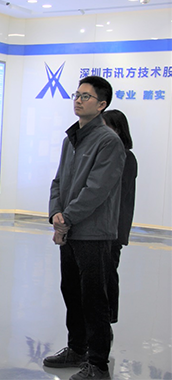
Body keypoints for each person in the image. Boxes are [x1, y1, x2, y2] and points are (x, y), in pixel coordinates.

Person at [45, 76, 126, 380]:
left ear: (102, 104)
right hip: (70, 231)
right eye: (76, 95)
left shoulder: (108, 142)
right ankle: (76, 349)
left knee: (94, 299)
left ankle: (98, 364)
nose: (78, 100)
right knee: (71, 292)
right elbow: (58, 181)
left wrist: (66, 218)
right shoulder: (71, 140)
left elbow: (96, 190)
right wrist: (55, 212)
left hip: (93, 233)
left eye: (86, 96)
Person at [101, 109, 138, 324]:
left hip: (113, 227)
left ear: (117, 130)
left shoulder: (125, 157)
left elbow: (117, 194)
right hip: (105, 226)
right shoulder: (109, 155)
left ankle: (108, 317)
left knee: (108, 272)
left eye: (105, 126)